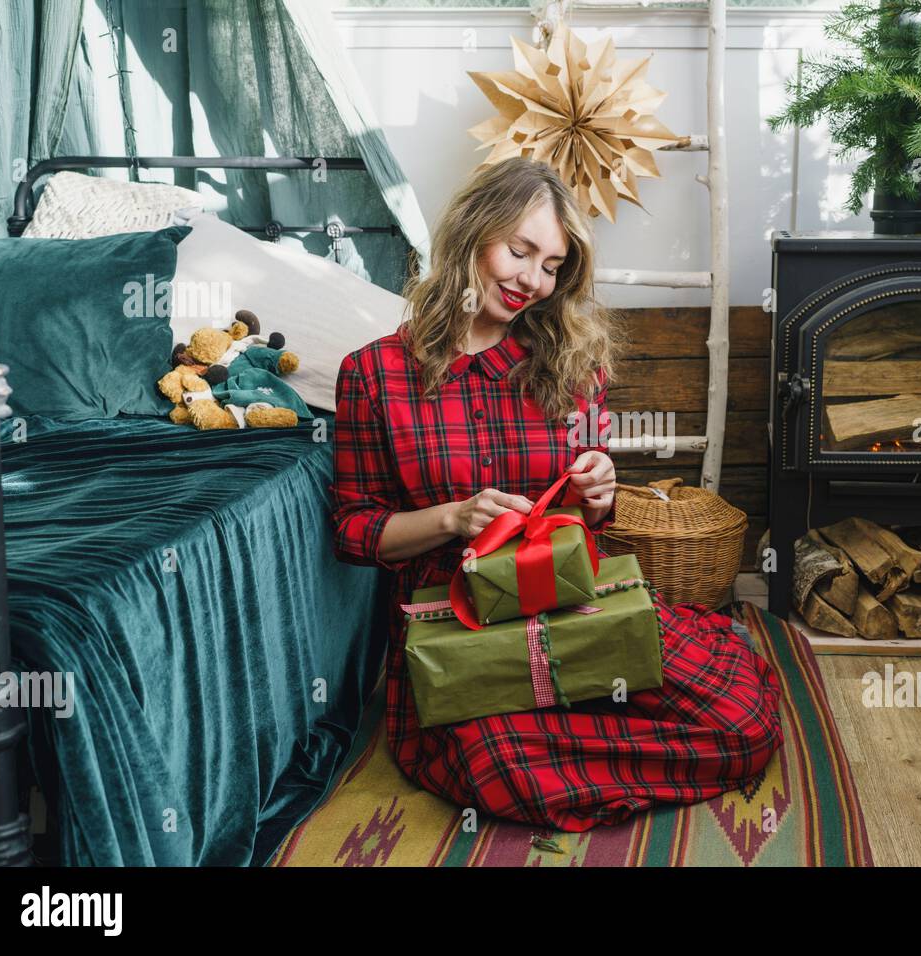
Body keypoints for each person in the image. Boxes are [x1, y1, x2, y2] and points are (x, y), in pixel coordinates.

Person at [329, 156, 782, 832]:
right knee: (500, 771)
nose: (533, 282)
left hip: (570, 604)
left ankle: (587, 730)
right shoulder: (372, 374)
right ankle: (583, 736)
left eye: (552, 266)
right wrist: (455, 517)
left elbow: (584, 524)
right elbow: (355, 531)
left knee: (741, 724)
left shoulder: (573, 367)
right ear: (472, 233)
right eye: (520, 251)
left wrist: (598, 492)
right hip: (458, 627)